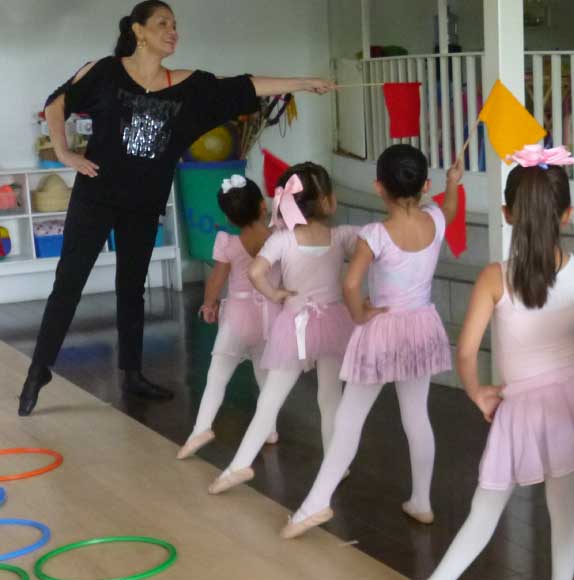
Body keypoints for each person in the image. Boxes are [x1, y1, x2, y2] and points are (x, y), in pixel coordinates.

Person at [18, 0, 333, 416]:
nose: (172, 31)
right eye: (162, 23)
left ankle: (132, 373)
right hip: (96, 196)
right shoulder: (105, 71)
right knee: (68, 284)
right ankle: (39, 370)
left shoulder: (189, 86)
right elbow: (57, 101)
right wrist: (64, 152)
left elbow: (243, 86)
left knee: (132, 287)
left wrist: (304, 82)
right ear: (138, 31)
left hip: (143, 203)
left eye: (175, 25)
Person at [399, 144, 574, 580]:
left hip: (521, 404)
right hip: (568, 400)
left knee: (489, 500)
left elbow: (467, 353)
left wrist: (477, 391)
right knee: (562, 505)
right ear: (567, 216)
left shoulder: (494, 277)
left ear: (506, 214)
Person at [281, 144, 457, 539]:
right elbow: (450, 210)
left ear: (379, 187)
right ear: (425, 186)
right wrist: (453, 184)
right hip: (421, 326)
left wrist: (359, 313)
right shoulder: (435, 219)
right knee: (417, 416)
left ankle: (316, 503)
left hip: (383, 329)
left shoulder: (375, 234)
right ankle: (422, 501)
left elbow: (350, 283)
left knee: (349, 417)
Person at [207, 163, 359, 494]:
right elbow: (373, 249)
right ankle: (337, 463)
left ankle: (239, 465)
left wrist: (274, 294)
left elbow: (255, 273)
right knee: (330, 397)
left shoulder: (283, 240)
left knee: (271, 399)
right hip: (333, 321)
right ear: (328, 201)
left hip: (295, 323)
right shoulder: (342, 237)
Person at [176, 175, 279, 461]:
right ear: (263, 206)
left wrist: (209, 304)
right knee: (265, 375)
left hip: (238, 315)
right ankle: (269, 429)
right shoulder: (278, 237)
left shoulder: (227, 241)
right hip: (271, 316)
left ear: (228, 217)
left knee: (217, 375)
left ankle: (201, 429)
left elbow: (217, 279)